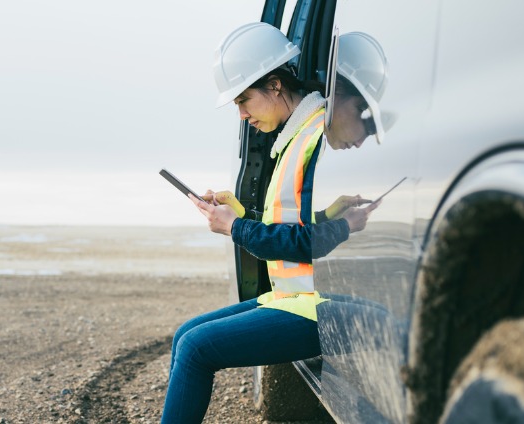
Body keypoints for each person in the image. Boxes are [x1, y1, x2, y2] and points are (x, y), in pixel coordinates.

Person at [160, 23, 390, 423]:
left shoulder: (315, 132)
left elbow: (303, 243)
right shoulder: (296, 134)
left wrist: (233, 227)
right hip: (290, 297)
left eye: (244, 100)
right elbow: (295, 225)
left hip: (312, 306)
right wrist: (244, 214)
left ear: (275, 85)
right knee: (185, 336)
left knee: (197, 349)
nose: (242, 114)